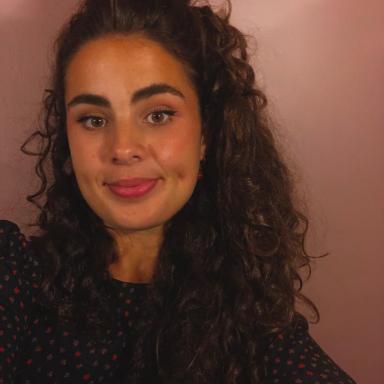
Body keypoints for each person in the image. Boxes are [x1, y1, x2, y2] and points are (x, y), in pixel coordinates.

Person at [0, 0, 357, 383]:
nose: (122, 148)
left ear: (206, 136)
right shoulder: (16, 271)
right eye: (94, 119)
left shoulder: (257, 329)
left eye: (158, 115)